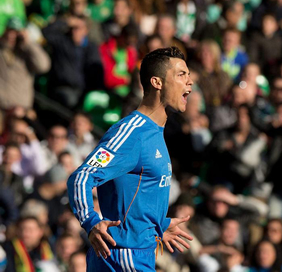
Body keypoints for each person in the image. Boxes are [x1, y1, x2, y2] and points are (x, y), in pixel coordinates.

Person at [67, 47, 194, 271]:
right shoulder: (131, 133)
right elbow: (81, 177)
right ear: (157, 82)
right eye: (181, 75)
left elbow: (134, 193)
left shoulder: (154, 132)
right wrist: (91, 222)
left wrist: (158, 225)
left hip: (139, 252)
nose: (189, 82)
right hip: (123, 255)